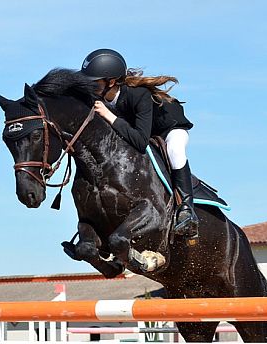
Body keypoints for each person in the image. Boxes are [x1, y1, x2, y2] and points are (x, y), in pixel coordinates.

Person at [80, 48, 199, 239]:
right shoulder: (101, 98)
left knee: (175, 150)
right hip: (139, 130)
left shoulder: (138, 94)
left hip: (168, 129)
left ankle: (186, 209)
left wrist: (108, 115)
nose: (90, 88)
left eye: (94, 83)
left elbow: (140, 142)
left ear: (111, 82)